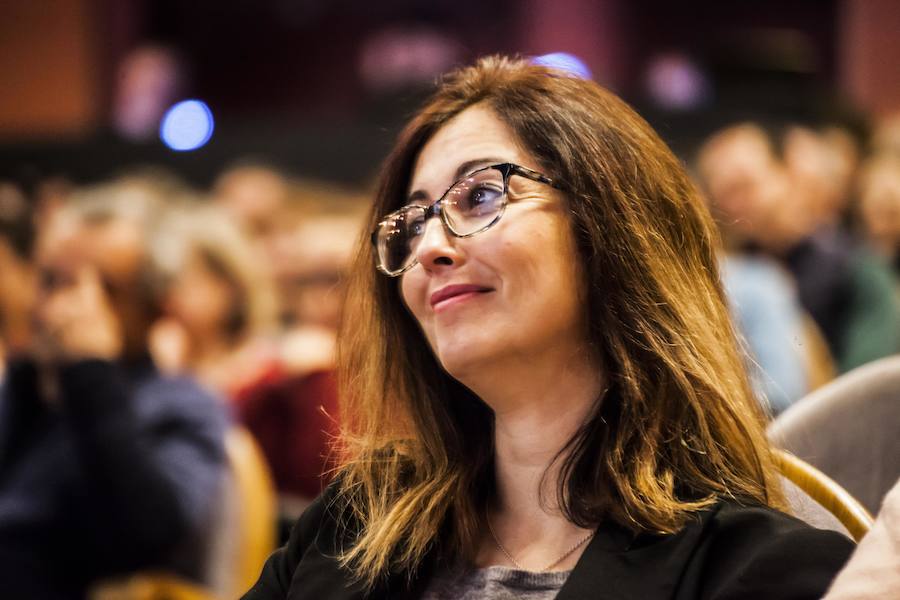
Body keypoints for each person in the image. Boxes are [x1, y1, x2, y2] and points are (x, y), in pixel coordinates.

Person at [243, 56, 854, 600]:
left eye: (480, 196)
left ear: (611, 225)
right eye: (411, 222)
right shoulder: (349, 526)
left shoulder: (761, 569)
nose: (429, 246)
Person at [0, 181, 228, 598]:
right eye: (52, 280)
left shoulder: (184, 404)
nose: (59, 308)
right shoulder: (28, 384)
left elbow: (147, 537)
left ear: (157, 305)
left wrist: (90, 370)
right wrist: (29, 379)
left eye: (102, 289)